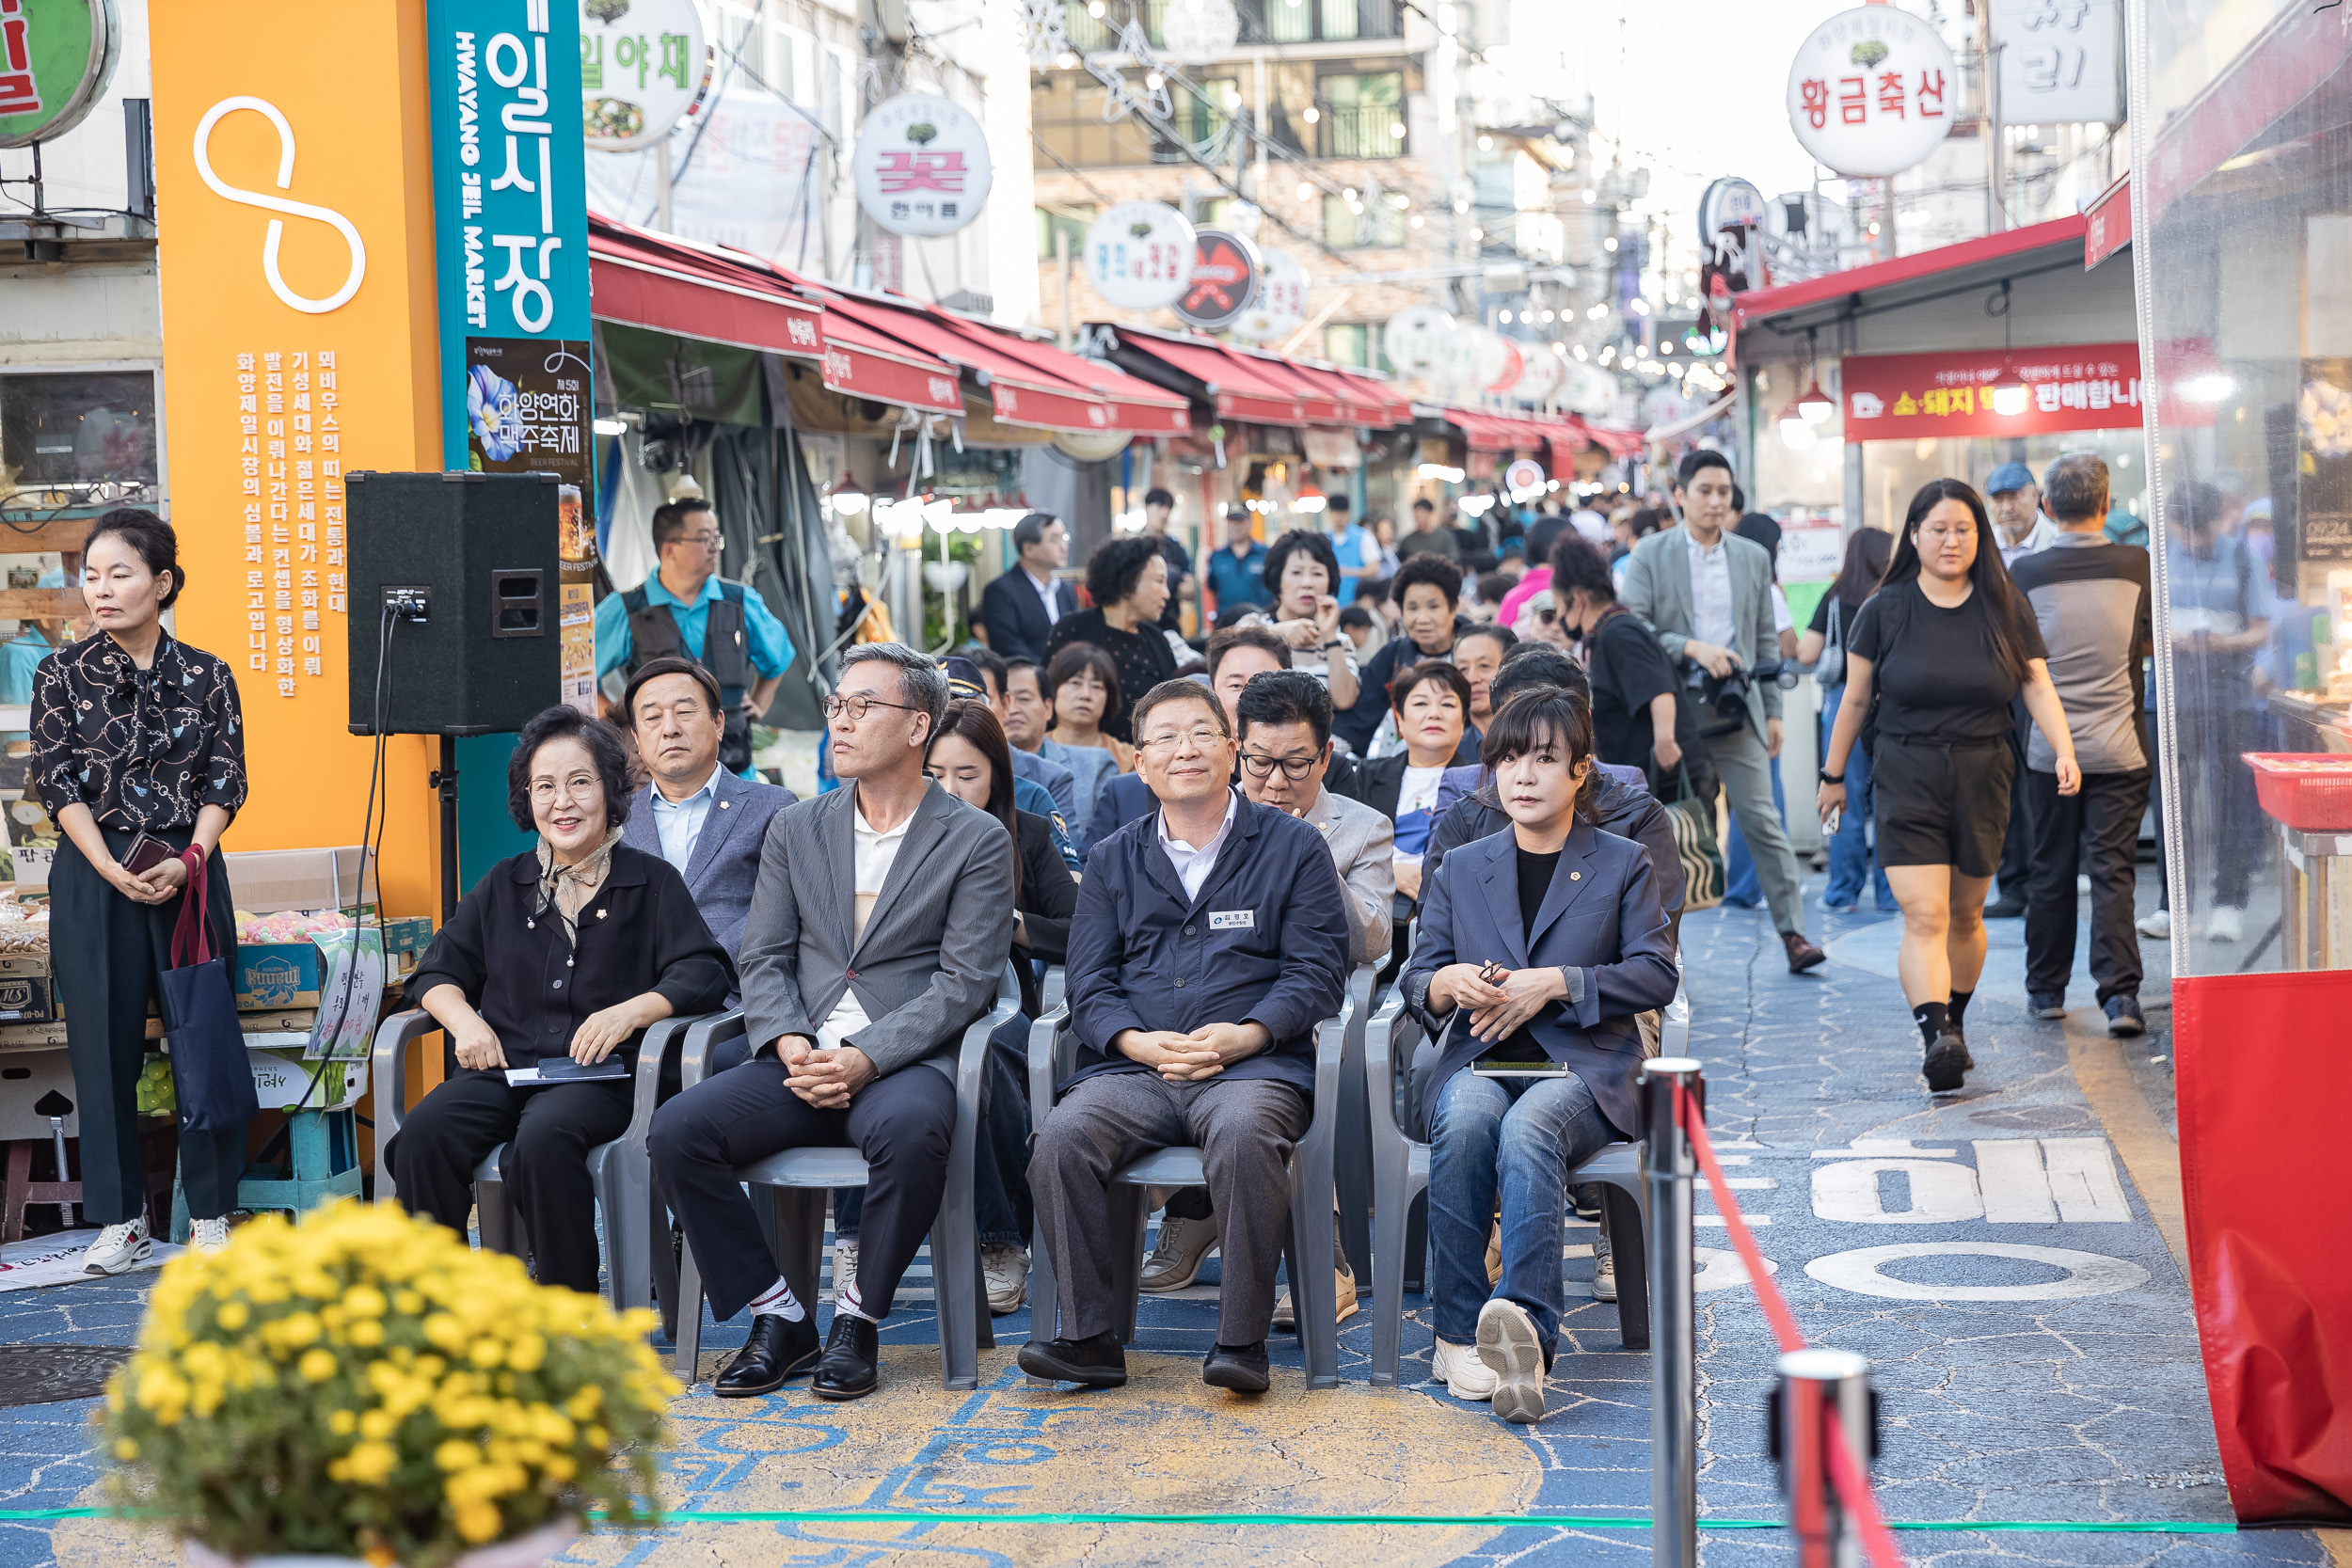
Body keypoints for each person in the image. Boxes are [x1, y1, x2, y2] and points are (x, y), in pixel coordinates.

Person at [649, 644, 1015, 1401]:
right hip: (796, 1055)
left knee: (915, 1132)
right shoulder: (797, 826)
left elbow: (966, 982)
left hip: (903, 1060)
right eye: (836, 706)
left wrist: (863, 1055)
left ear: (918, 725)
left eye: (861, 706)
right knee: (679, 1130)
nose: (840, 722)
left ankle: (858, 1319)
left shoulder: (976, 838)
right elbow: (763, 956)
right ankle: (779, 1314)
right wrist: (787, 1041)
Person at [1019, 679, 1351, 1393]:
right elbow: (1090, 983)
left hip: (1251, 1068)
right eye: (1164, 737)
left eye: (1201, 733)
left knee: (1242, 1133)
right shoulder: (1112, 857)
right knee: (1060, 1138)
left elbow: (1318, 974)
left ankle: (1241, 1342)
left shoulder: (1294, 848)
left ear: (1232, 750)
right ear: (1140, 764)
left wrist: (1245, 1034)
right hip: (1136, 1070)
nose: (1185, 749)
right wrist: (1137, 1043)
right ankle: (1088, 1338)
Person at [387, 705, 733, 1294]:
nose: (562, 802)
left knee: (543, 1143)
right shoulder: (505, 882)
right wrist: (465, 1022)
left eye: (579, 782)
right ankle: (431, 1310)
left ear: (609, 789)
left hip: (603, 1078)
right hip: (505, 1070)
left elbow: (703, 971)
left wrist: (633, 1010)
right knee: (423, 1136)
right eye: (544, 786)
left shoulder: (649, 881)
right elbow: (438, 971)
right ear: (527, 798)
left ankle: (565, 1311)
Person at [1404, 687, 1677, 1422]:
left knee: (1532, 1130)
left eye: (1546, 759)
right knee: (1463, 1122)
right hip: (1481, 1057)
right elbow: (1417, 972)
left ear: (1581, 769)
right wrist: (1445, 982)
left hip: (1584, 1064)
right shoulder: (1462, 866)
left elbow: (1657, 972)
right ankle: (1457, 1335)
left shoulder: (1621, 862)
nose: (1523, 775)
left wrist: (1560, 981)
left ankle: (1525, 1325)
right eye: (1509, 758)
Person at [32, 510, 249, 1270]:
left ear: (161, 582)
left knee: (202, 1036)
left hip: (187, 870)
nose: (101, 589)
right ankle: (121, 1221)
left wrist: (191, 858)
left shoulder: (208, 674)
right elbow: (55, 782)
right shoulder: (60, 674)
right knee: (103, 1048)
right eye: (91, 575)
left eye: (119, 573)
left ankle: (211, 1214)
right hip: (96, 875)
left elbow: (227, 779)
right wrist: (107, 865)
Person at [1140, 670, 1391, 1322]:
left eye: (1296, 763)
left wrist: (1302, 852)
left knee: (1292, 1070)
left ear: (1327, 756)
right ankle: (1194, 1213)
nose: (1276, 781)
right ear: (1234, 750)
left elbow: (1371, 937)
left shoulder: (1362, 828)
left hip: (1306, 1006)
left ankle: (1324, 1259)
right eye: (1258, 762)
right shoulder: (1201, 816)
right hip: (1198, 1007)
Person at [1817, 480, 2080, 1095]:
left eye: (1964, 528)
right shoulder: (1884, 609)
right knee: (1926, 913)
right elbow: (1854, 699)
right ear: (1914, 535)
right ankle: (1935, 1033)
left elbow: (2037, 685)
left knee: (1965, 914)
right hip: (1906, 771)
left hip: (1985, 770)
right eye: (1938, 529)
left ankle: (1952, 1023)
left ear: (1979, 536)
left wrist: (2063, 748)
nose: (1951, 540)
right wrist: (1833, 777)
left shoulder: (2005, 604)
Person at [829, 698, 1078, 1314]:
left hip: (998, 1001)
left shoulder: (1028, 833)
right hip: (896, 1000)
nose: (952, 788)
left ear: (997, 772)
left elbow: (1081, 931)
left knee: (982, 1053)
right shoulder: (878, 834)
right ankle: (857, 1236)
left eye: (969, 773)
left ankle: (998, 1239)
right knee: (866, 1051)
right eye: (937, 772)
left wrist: (1014, 922)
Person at [1621, 451, 1825, 974]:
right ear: (1681, 494)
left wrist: (1774, 710)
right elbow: (1634, 630)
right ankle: (1654, 946)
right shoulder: (1650, 553)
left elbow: (1762, 640)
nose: (1716, 501)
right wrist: (1692, 647)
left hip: (1738, 710)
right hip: (1672, 712)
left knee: (1761, 819)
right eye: (1705, 490)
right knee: (1667, 828)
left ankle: (1794, 933)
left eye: (1724, 492)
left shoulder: (1752, 557)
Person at [2009, 454, 2154, 1037]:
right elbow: (2146, 640)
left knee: (2051, 869)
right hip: (2121, 747)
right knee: (2114, 872)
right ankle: (2120, 998)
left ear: (2046, 507)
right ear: (2106, 503)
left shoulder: (2024, 574)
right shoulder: (2137, 563)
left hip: (2048, 752)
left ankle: (2046, 990)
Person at [619, 656, 799, 969]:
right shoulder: (616, 821)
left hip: (735, 999)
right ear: (636, 738)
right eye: (652, 718)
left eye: (685, 712)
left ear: (718, 723)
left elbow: (786, 909)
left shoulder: (774, 808)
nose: (670, 729)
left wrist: (699, 970)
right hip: (631, 998)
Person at [594, 497, 793, 776]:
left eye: (716, 537)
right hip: (659, 775)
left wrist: (759, 703)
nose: (714, 547)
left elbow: (779, 657)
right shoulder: (627, 609)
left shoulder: (740, 601)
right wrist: (617, 720)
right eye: (703, 538)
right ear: (669, 550)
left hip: (734, 768)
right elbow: (579, 674)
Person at [2161, 481, 2266, 942]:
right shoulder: (2157, 557)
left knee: (2231, 800)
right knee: (2173, 799)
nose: (2194, 542)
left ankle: (2229, 900)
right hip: (2173, 694)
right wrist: (2170, 638)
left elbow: (2262, 630)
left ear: (2217, 519)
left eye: (2201, 532)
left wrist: (2222, 643)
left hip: (2229, 693)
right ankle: (2173, 904)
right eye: (2185, 533)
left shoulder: (2241, 556)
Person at [1549, 535, 1707, 804]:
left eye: (1559, 608)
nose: (1560, 619)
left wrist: (1665, 743)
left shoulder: (1619, 634)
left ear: (1578, 601)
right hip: (1644, 780)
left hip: (1662, 782)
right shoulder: (1608, 633)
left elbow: (1659, 689)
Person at [1796, 527, 1897, 913]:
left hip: (1843, 704)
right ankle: (1891, 894)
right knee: (1889, 800)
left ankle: (1843, 890)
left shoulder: (1835, 597)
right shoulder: (1897, 596)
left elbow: (1808, 652)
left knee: (1839, 797)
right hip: (1889, 701)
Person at [1361, 662, 1479, 950]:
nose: (1434, 713)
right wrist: (1391, 870)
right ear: (1399, 718)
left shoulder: (1481, 786)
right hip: (1368, 914)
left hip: (1440, 924)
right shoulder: (1365, 775)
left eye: (1448, 704)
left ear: (1464, 719)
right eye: (1421, 703)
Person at [1043, 535, 1177, 743]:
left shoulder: (1157, 641)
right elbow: (1047, 694)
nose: (1166, 594)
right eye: (1159, 581)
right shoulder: (1073, 630)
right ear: (1127, 583)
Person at [1337, 555, 1470, 755]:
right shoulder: (1392, 656)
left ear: (1453, 607)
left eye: (1433, 607)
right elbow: (1360, 717)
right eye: (1412, 607)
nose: (1422, 618)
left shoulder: (1479, 648)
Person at [961, 646, 1080, 844]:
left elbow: (1068, 866)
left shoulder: (1044, 785)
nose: (962, 710)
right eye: (953, 699)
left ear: (1005, 704)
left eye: (981, 700)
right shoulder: (919, 773)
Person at [1240, 529, 1362, 711]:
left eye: (1317, 574)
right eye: (1296, 573)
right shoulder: (1253, 626)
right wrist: (1279, 631)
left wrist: (1329, 638)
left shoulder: (1340, 641)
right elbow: (1228, 646)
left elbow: (1344, 700)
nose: (1307, 583)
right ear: (1277, 579)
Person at [1006, 655, 1115, 858]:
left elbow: (1106, 847)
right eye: (1004, 701)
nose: (1012, 710)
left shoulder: (1096, 764)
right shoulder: (971, 769)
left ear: (1048, 708)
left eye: (1024, 699)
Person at [980, 512, 1079, 664]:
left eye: (1064, 538)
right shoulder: (1001, 591)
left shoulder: (1065, 589)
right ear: (1028, 549)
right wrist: (1050, 675)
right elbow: (1008, 647)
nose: (1064, 547)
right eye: (1055, 540)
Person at [1045, 641, 1134, 775]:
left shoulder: (1129, 759)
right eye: (1075, 683)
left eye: (1096, 686)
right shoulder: (1031, 750)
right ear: (1053, 691)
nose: (1085, 695)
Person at [1141, 487, 1195, 634]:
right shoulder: (1133, 545)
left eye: (1168, 508)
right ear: (1147, 507)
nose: (1164, 514)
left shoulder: (1176, 548)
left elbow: (1190, 591)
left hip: (1169, 623)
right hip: (1140, 623)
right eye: (1159, 507)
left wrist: (1165, 583)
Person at [1986, 462, 2060, 567]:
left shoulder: (2058, 540)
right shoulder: (1982, 545)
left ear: (2035, 495)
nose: (2007, 508)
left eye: (2014, 496)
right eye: (1997, 499)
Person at [1204, 508, 1270, 626]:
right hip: (1226, 624)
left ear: (1250, 522)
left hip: (1260, 622)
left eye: (1240, 521)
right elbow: (1212, 589)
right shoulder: (1216, 557)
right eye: (1231, 521)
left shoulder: (1266, 554)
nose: (1235, 526)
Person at [1456, 625, 1517, 735]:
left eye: (1484, 666)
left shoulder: (1539, 737)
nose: (1472, 679)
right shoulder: (1448, 746)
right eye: (1463, 669)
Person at [1322, 493, 1375, 600]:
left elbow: (1374, 569)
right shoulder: (1324, 539)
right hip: (1330, 600)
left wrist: (1348, 572)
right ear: (1330, 513)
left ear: (1348, 513)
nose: (1339, 517)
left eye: (1342, 513)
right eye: (1335, 513)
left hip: (1357, 602)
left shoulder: (1363, 536)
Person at [1398, 497, 1460, 561]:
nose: (1419, 518)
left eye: (1422, 515)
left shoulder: (1445, 536)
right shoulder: (1408, 541)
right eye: (1416, 515)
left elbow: (1453, 558)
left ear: (1430, 513)